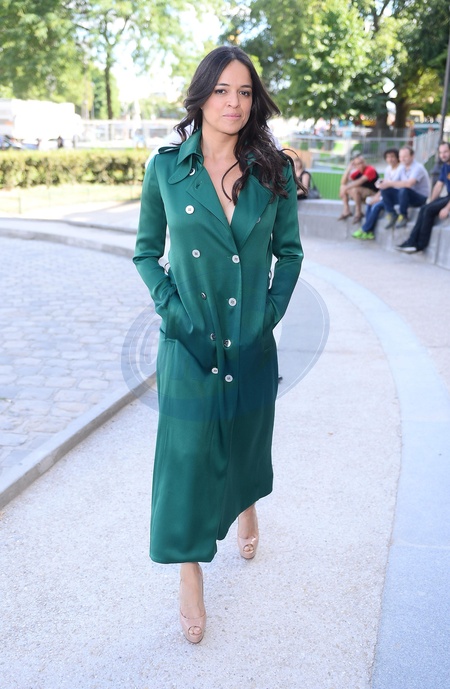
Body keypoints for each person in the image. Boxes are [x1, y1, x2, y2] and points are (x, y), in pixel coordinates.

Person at [133, 46, 303, 644]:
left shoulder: (273, 171)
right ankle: (189, 573)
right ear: (202, 96)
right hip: (188, 343)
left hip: (250, 339)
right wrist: (175, 314)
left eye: (245, 92)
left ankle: (246, 502)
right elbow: (145, 253)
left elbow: (290, 253)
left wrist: (268, 315)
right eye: (223, 90)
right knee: (185, 458)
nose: (234, 102)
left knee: (247, 437)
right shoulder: (166, 169)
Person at [396, 141, 450, 253]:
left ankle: (420, 245)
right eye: (441, 152)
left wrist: (447, 208)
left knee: (429, 210)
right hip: (447, 196)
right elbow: (438, 185)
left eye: (445, 152)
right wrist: (431, 201)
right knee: (425, 208)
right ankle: (411, 242)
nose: (443, 155)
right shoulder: (445, 166)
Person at [352, 148, 401, 240]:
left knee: (376, 206)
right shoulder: (388, 169)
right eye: (388, 157)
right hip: (387, 195)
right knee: (370, 203)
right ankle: (369, 232)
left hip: (396, 196)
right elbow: (384, 186)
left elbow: (393, 186)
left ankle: (364, 229)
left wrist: (379, 198)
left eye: (392, 157)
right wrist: (375, 197)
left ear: (397, 158)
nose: (390, 159)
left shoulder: (401, 169)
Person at [379, 145, 430, 228]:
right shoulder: (402, 167)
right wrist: (383, 183)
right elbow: (393, 181)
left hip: (419, 198)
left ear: (412, 156)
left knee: (404, 189)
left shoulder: (418, 167)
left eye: (405, 156)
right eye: (400, 157)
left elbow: (409, 184)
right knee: (385, 190)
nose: (402, 159)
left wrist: (389, 183)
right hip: (405, 196)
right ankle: (392, 214)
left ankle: (403, 215)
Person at [338, 155, 379, 224]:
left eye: (362, 162)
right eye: (357, 164)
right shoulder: (357, 173)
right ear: (355, 165)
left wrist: (345, 188)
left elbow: (360, 181)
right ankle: (346, 210)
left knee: (354, 189)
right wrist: (348, 169)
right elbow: (343, 182)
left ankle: (358, 212)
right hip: (362, 194)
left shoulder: (370, 169)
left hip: (374, 194)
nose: (360, 165)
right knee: (343, 187)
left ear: (365, 162)